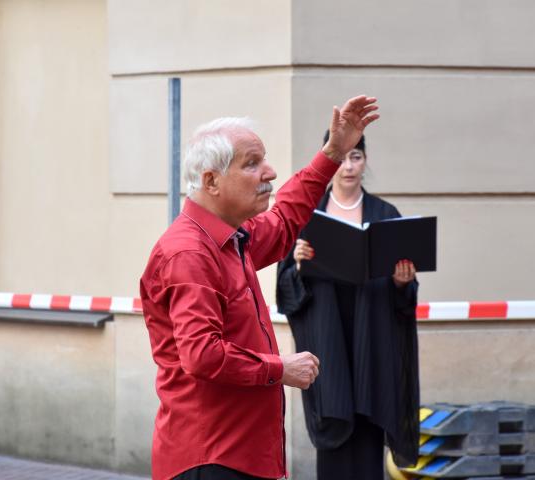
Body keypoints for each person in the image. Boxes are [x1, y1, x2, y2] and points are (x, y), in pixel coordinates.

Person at [139, 96, 380, 480]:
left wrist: (334, 151)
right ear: (211, 181)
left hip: (240, 455)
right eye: (252, 163)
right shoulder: (188, 253)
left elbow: (285, 217)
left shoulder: (234, 237)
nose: (269, 172)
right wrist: (279, 368)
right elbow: (201, 354)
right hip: (212, 459)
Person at [276, 132, 420, 480]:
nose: (348, 166)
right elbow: (285, 293)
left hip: (373, 343)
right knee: (335, 434)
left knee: (369, 433)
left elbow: (406, 295)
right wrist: (296, 264)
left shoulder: (386, 214)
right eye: (341, 157)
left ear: (365, 161)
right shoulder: (308, 217)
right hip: (329, 344)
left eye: (356, 157)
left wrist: (402, 281)